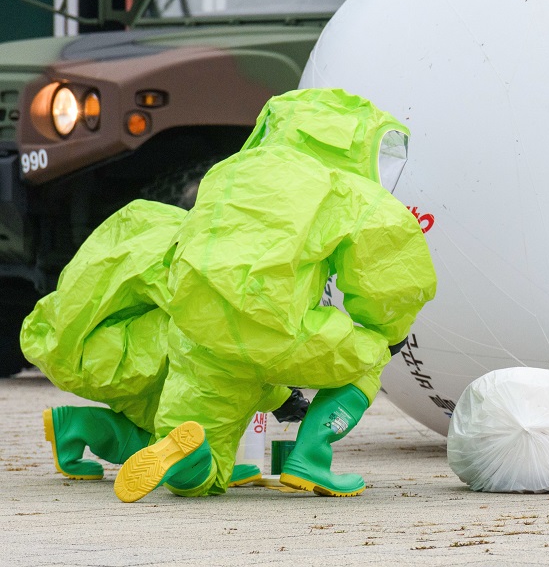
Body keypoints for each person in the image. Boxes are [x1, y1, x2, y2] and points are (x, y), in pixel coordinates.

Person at [110, 88, 436, 502]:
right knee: (371, 355)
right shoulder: (347, 190)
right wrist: (387, 333)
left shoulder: (226, 174)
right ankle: (310, 459)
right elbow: (392, 277)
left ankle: (185, 459)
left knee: (201, 480)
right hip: (282, 335)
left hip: (199, 340)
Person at [21, 200, 306, 488]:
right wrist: (280, 396)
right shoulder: (201, 265)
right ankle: (200, 464)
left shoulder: (186, 239)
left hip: (88, 346)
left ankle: (71, 426)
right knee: (198, 390)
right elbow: (223, 341)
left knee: (177, 416)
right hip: (110, 355)